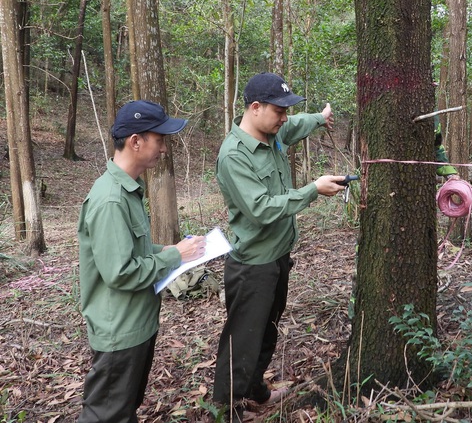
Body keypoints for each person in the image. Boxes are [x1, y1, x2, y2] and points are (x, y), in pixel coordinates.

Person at [212, 72, 346, 417]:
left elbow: (296, 124)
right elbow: (261, 209)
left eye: (286, 112)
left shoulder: (273, 132)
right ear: (255, 108)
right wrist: (313, 190)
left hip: (277, 258)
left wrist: (320, 118)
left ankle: (255, 391)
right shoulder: (234, 155)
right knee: (242, 342)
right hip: (252, 265)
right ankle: (227, 409)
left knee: (266, 334)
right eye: (278, 111)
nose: (284, 118)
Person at [77, 100, 207, 422]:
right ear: (136, 141)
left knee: (122, 409)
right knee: (105, 415)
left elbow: (133, 250)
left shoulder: (128, 190)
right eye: (159, 139)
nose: (163, 149)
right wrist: (176, 255)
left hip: (135, 325)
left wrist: (170, 249)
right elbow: (120, 273)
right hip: (119, 331)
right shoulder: (110, 199)